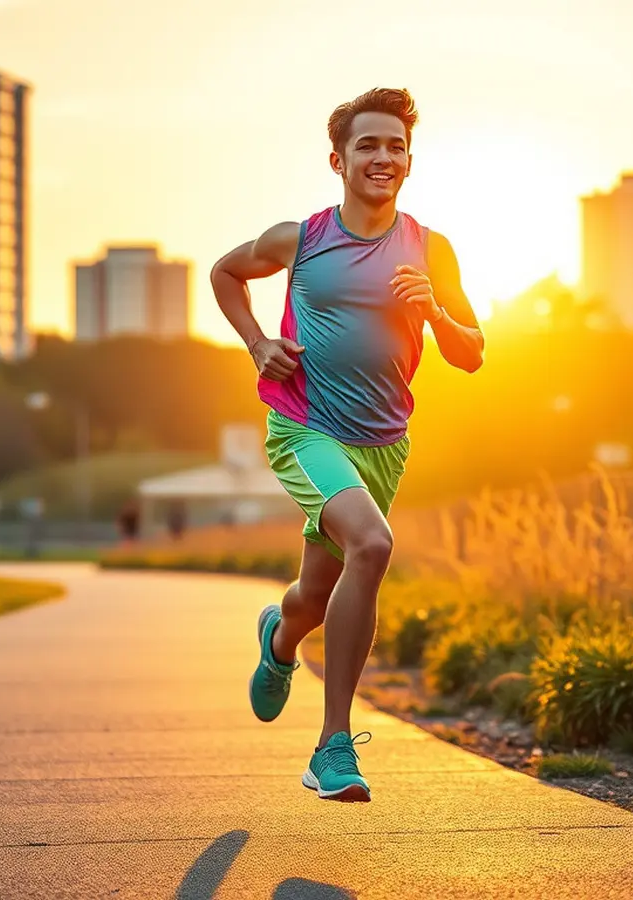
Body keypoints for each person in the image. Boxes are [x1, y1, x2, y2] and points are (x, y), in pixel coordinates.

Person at [210, 87, 485, 802]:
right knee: (374, 545)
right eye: (368, 144)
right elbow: (225, 272)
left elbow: (473, 353)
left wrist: (436, 312)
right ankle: (333, 747)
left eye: (395, 146)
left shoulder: (432, 249)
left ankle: (278, 637)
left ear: (410, 161)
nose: (382, 157)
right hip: (304, 427)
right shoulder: (300, 240)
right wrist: (257, 343)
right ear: (338, 159)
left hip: (384, 446)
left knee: (314, 595)